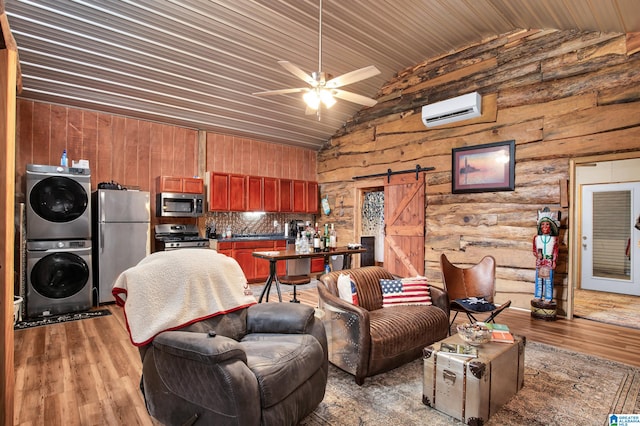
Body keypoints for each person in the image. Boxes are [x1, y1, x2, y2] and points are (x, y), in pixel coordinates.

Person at [533, 208, 560, 302]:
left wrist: (554, 261)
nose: (545, 226)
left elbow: (556, 251)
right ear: (540, 226)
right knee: (539, 280)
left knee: (548, 281)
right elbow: (534, 250)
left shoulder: (554, 239)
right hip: (540, 261)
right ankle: (538, 296)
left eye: (547, 224)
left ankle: (548, 297)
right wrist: (537, 255)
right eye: (543, 224)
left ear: (550, 227)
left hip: (549, 261)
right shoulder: (536, 238)